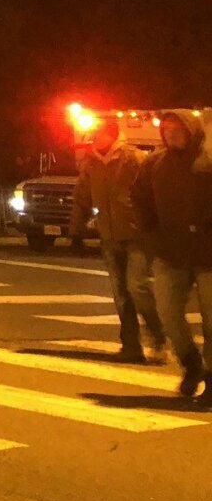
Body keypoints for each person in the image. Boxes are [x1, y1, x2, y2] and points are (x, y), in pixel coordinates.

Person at [131, 110, 212, 400]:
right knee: (168, 314)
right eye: (166, 130)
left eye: (177, 129)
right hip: (170, 253)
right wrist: (151, 235)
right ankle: (191, 363)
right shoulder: (155, 163)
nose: (171, 134)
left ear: (191, 131)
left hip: (208, 254)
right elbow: (139, 198)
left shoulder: (208, 161)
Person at [73, 115, 165, 363]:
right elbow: (82, 197)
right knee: (121, 294)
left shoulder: (133, 158)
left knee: (137, 287)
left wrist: (155, 226)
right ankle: (131, 346)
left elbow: (152, 192)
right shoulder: (91, 163)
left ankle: (159, 335)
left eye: (99, 132)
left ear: (112, 134)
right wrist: (76, 230)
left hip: (137, 236)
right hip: (109, 237)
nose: (95, 137)